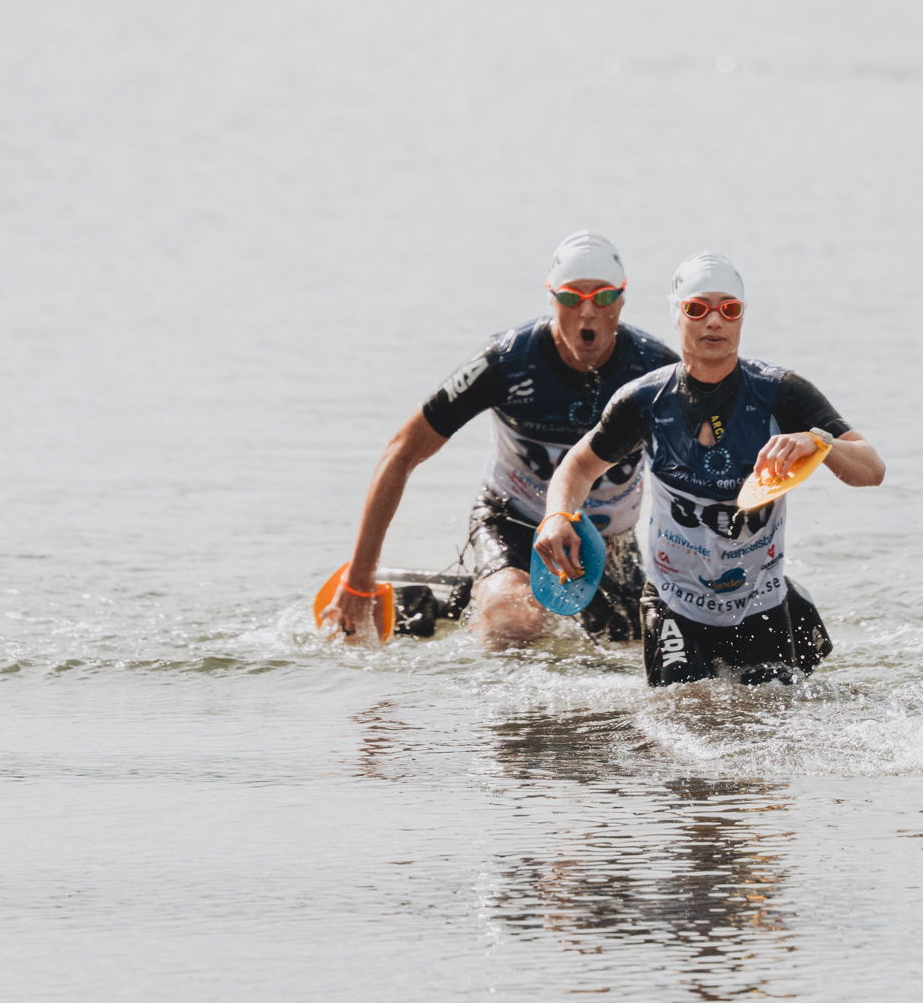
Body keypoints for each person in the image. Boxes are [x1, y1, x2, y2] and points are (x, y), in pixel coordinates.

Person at [538, 251, 884, 686]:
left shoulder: (780, 392)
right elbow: (579, 466)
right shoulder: (644, 400)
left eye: (729, 309)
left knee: (773, 714)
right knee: (683, 712)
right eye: (697, 309)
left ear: (741, 317)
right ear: (676, 315)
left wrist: (819, 442)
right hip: (674, 602)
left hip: (759, 601)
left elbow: (871, 469)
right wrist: (557, 515)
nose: (715, 321)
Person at [330, 231, 675, 646]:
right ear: (551, 298)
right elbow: (401, 451)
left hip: (607, 542)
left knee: (634, 647)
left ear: (621, 299)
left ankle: (457, 599)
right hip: (512, 521)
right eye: (571, 298)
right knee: (514, 622)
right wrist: (358, 580)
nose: (587, 313)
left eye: (602, 297)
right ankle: (494, 610)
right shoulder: (509, 361)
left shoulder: (656, 371)